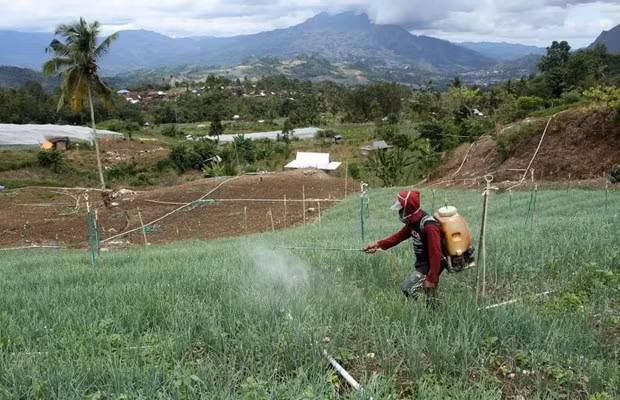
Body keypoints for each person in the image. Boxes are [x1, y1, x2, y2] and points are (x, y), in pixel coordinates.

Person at [364, 191, 446, 304]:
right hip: (423, 262)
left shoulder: (429, 226)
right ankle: (433, 310)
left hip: (432, 263)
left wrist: (432, 278)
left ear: (408, 208)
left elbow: (436, 253)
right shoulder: (413, 223)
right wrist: (378, 244)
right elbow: (399, 237)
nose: (399, 211)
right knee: (428, 293)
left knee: (408, 288)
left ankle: (423, 310)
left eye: (401, 208)